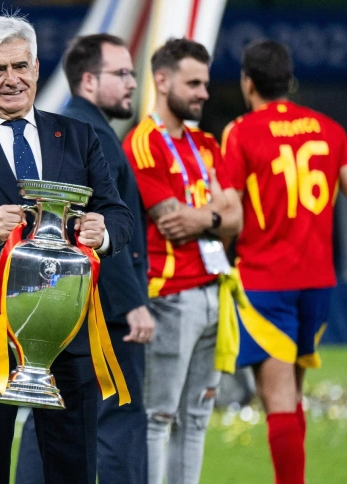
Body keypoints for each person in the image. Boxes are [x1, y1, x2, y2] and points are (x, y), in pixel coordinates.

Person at [0, 14, 133, 484]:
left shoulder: (78, 136)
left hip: (69, 332)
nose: (11, 79)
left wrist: (103, 233)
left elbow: (120, 216)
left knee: (74, 472)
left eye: (20, 66)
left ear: (36, 68)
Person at [221, 40, 347, 484]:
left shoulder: (241, 132)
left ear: (247, 82)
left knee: (277, 399)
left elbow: (229, 211)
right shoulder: (329, 129)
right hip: (317, 283)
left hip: (265, 282)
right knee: (290, 394)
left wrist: (214, 257)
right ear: (289, 81)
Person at [15, 33, 154, 484]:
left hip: (65, 303)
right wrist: (131, 302)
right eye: (122, 73)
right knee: (119, 418)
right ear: (89, 80)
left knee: (51, 418)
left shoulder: (64, 128)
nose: (133, 83)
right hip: (102, 310)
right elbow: (96, 227)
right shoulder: (91, 134)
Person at [124, 38, 243, 484]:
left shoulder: (206, 142)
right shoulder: (143, 143)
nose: (203, 93)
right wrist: (216, 212)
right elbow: (169, 220)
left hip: (214, 292)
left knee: (196, 417)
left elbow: (237, 217)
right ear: (161, 80)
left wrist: (206, 217)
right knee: (159, 416)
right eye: (193, 84)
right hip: (170, 297)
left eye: (204, 84)